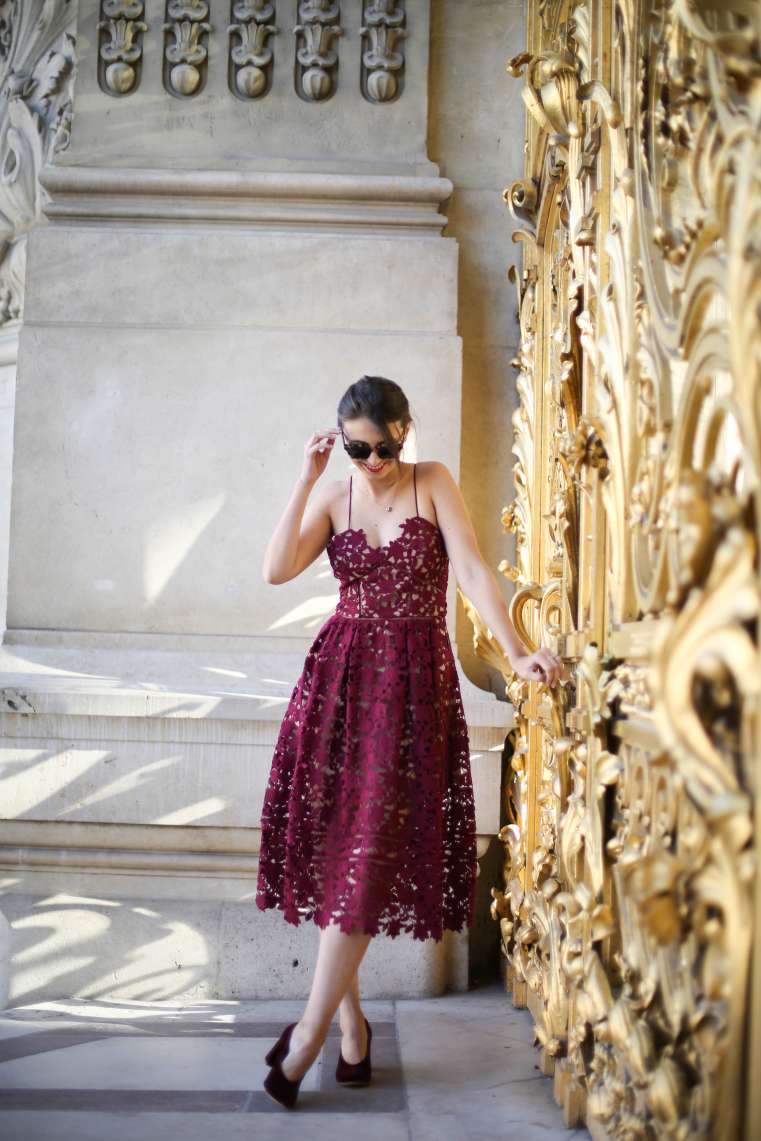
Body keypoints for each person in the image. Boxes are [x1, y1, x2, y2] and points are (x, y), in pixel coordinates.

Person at [255, 375, 563, 1109]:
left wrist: (516, 650)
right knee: (340, 849)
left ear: (405, 430)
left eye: (384, 446)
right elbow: (274, 570)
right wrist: (306, 478)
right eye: (357, 449)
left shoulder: (432, 483)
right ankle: (350, 1024)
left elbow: (473, 571)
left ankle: (306, 1034)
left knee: (368, 852)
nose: (372, 461)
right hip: (339, 683)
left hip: (413, 688)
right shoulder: (336, 495)